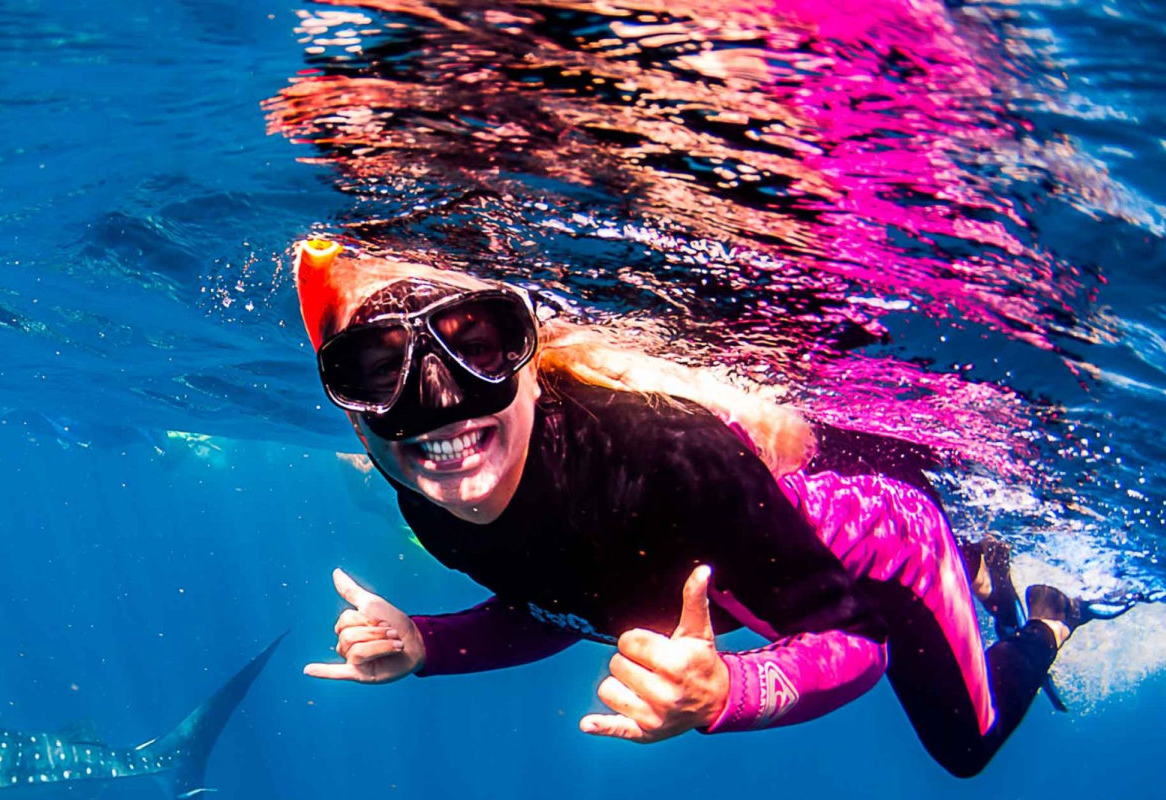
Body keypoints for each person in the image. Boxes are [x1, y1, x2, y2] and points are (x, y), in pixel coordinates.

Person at [292, 238, 1131, 777]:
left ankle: (1047, 618)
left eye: (477, 351)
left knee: (965, 746)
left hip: (878, 559)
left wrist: (730, 689)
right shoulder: (434, 496)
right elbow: (562, 604)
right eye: (375, 377)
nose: (441, 419)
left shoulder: (664, 459)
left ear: (532, 367)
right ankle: (988, 566)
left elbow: (855, 639)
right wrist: (425, 645)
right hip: (752, 569)